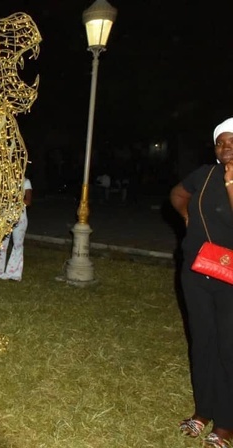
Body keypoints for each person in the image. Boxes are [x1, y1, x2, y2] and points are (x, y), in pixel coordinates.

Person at [170, 117, 233, 447]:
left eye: (232, 141)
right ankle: (203, 411)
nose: (226, 147)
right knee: (203, 342)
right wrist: (187, 218)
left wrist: (231, 183)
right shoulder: (204, 175)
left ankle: (226, 423)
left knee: (229, 346)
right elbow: (178, 194)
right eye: (221, 142)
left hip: (232, 280)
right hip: (198, 269)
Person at [0, 177, 32, 281]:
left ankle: (14, 273)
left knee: (18, 245)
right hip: (4, 217)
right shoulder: (5, 181)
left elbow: (28, 201)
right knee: (2, 244)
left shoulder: (25, 182)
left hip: (19, 218)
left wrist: (14, 199)